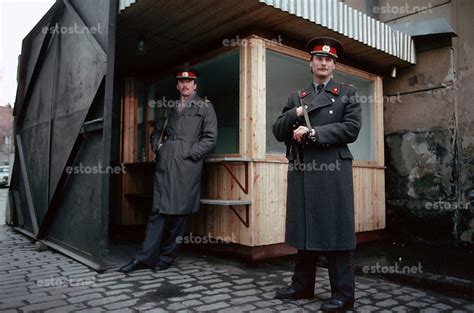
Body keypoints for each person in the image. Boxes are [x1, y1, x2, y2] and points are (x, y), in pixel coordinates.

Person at [272, 37, 362, 311]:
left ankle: (343, 294)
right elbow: (278, 131)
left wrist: (314, 132)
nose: (324, 62)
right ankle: (302, 287)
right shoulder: (296, 97)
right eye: (319, 58)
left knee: (336, 231)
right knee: (305, 227)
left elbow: (351, 129)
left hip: (333, 169)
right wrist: (297, 113)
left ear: (334, 65)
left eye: (329, 59)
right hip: (303, 169)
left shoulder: (347, 93)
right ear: (311, 63)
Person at [119, 67, 218, 273]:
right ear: (177, 85)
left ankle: (166, 257)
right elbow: (155, 132)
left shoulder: (205, 107)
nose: (185, 85)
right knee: (157, 211)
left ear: (195, 85)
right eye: (181, 82)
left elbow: (210, 138)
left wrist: (189, 153)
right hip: (165, 164)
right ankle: (144, 258)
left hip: (186, 167)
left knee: (178, 213)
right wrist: (158, 148)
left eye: (189, 81)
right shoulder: (170, 107)